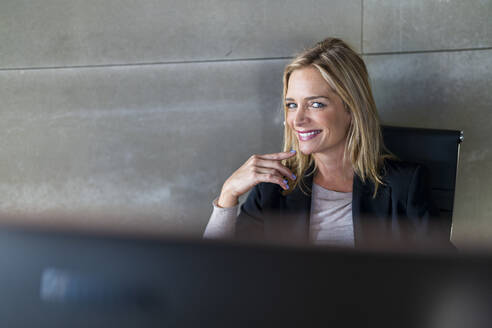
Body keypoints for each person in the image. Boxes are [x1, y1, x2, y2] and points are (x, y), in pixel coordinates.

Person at [204, 37, 447, 249]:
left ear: (351, 109)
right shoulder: (273, 188)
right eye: (292, 105)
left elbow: (445, 275)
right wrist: (229, 194)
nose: (297, 119)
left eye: (315, 104)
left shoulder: (403, 187)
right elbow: (212, 277)